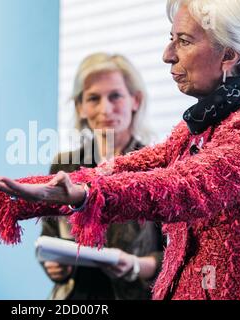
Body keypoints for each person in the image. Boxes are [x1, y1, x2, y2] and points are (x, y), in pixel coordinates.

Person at [0, 0, 240, 300]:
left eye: (182, 41)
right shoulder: (195, 131)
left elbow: (184, 188)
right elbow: (115, 173)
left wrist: (87, 195)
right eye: (172, 39)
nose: (168, 55)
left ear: (230, 56)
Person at [40, 53, 164, 300]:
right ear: (80, 107)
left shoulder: (158, 164)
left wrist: (137, 265)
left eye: (115, 96)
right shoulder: (65, 165)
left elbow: (175, 252)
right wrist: (55, 267)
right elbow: (49, 236)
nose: (105, 109)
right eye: (93, 98)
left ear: (135, 100)